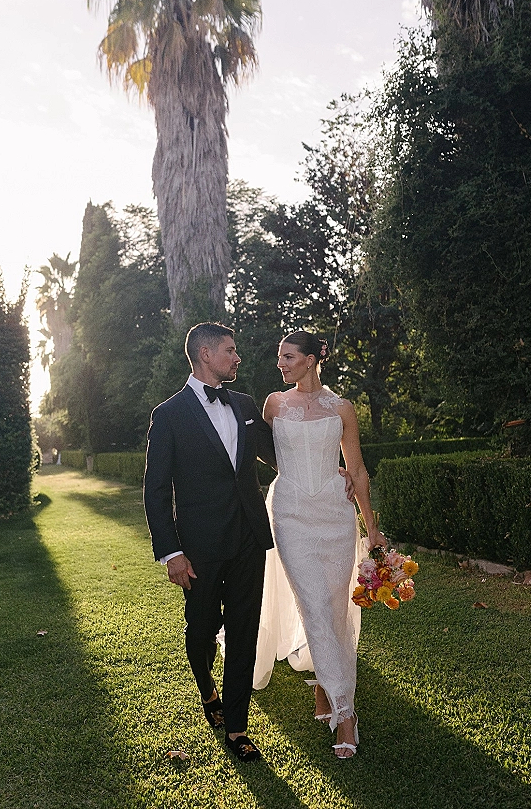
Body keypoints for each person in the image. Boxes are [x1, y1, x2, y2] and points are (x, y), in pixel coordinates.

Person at [143, 322, 277, 762]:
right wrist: (172, 552)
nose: (238, 358)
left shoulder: (245, 404)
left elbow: (276, 456)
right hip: (198, 547)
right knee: (201, 629)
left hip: (248, 540)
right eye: (230, 351)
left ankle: (237, 727)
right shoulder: (168, 415)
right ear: (204, 354)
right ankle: (207, 691)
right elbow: (156, 490)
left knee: (244, 630)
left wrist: (327, 470)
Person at [253, 330, 387, 759]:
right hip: (290, 512)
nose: (281, 364)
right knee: (312, 602)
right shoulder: (274, 403)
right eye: (280, 358)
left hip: (335, 514)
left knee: (334, 607)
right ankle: (345, 712)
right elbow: (261, 451)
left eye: (288, 357)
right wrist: (291, 472)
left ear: (311, 360)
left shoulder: (342, 408)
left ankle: (325, 688)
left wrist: (373, 528)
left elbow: (359, 470)